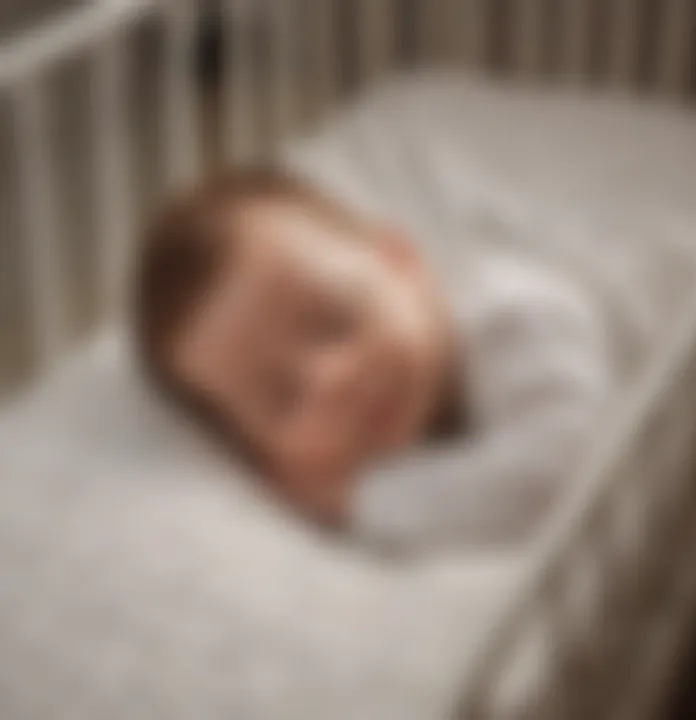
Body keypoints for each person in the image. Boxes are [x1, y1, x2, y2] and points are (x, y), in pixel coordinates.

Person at [134, 164, 615, 553]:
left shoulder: (517, 316)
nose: (333, 378)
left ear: (402, 263)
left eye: (336, 320)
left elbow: (553, 484)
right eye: (285, 398)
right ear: (272, 465)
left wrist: (355, 502)